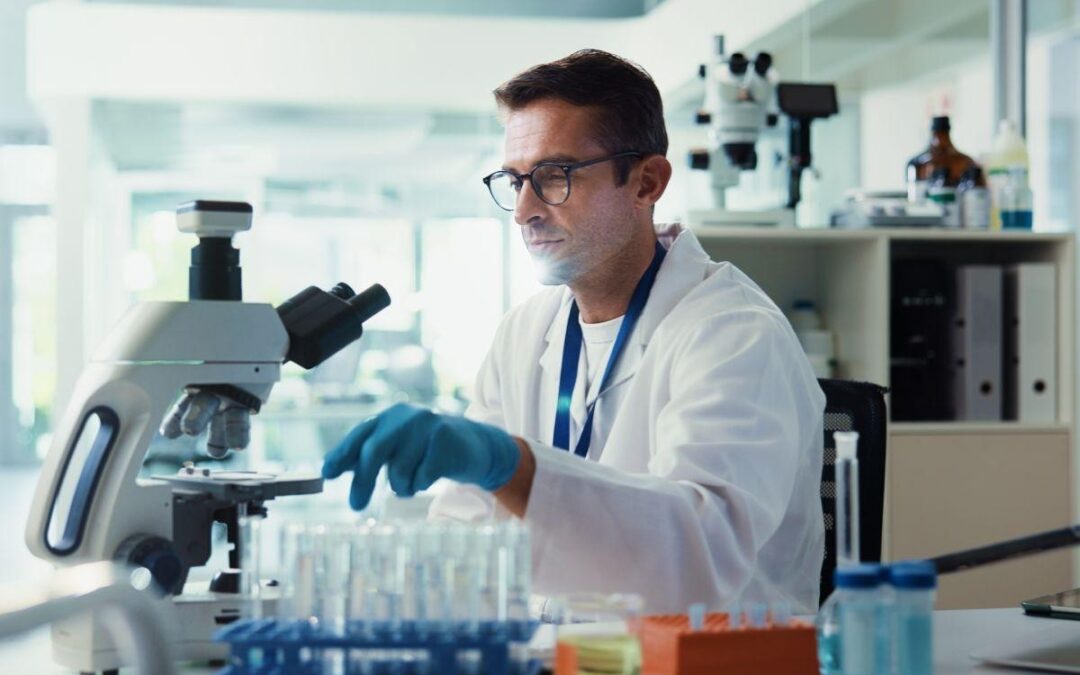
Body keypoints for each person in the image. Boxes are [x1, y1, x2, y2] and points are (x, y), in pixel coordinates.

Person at [321, 49, 826, 614]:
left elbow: (698, 556)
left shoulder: (733, 333)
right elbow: (466, 532)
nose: (523, 211)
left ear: (646, 182)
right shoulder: (525, 332)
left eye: (554, 176)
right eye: (514, 182)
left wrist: (511, 467)